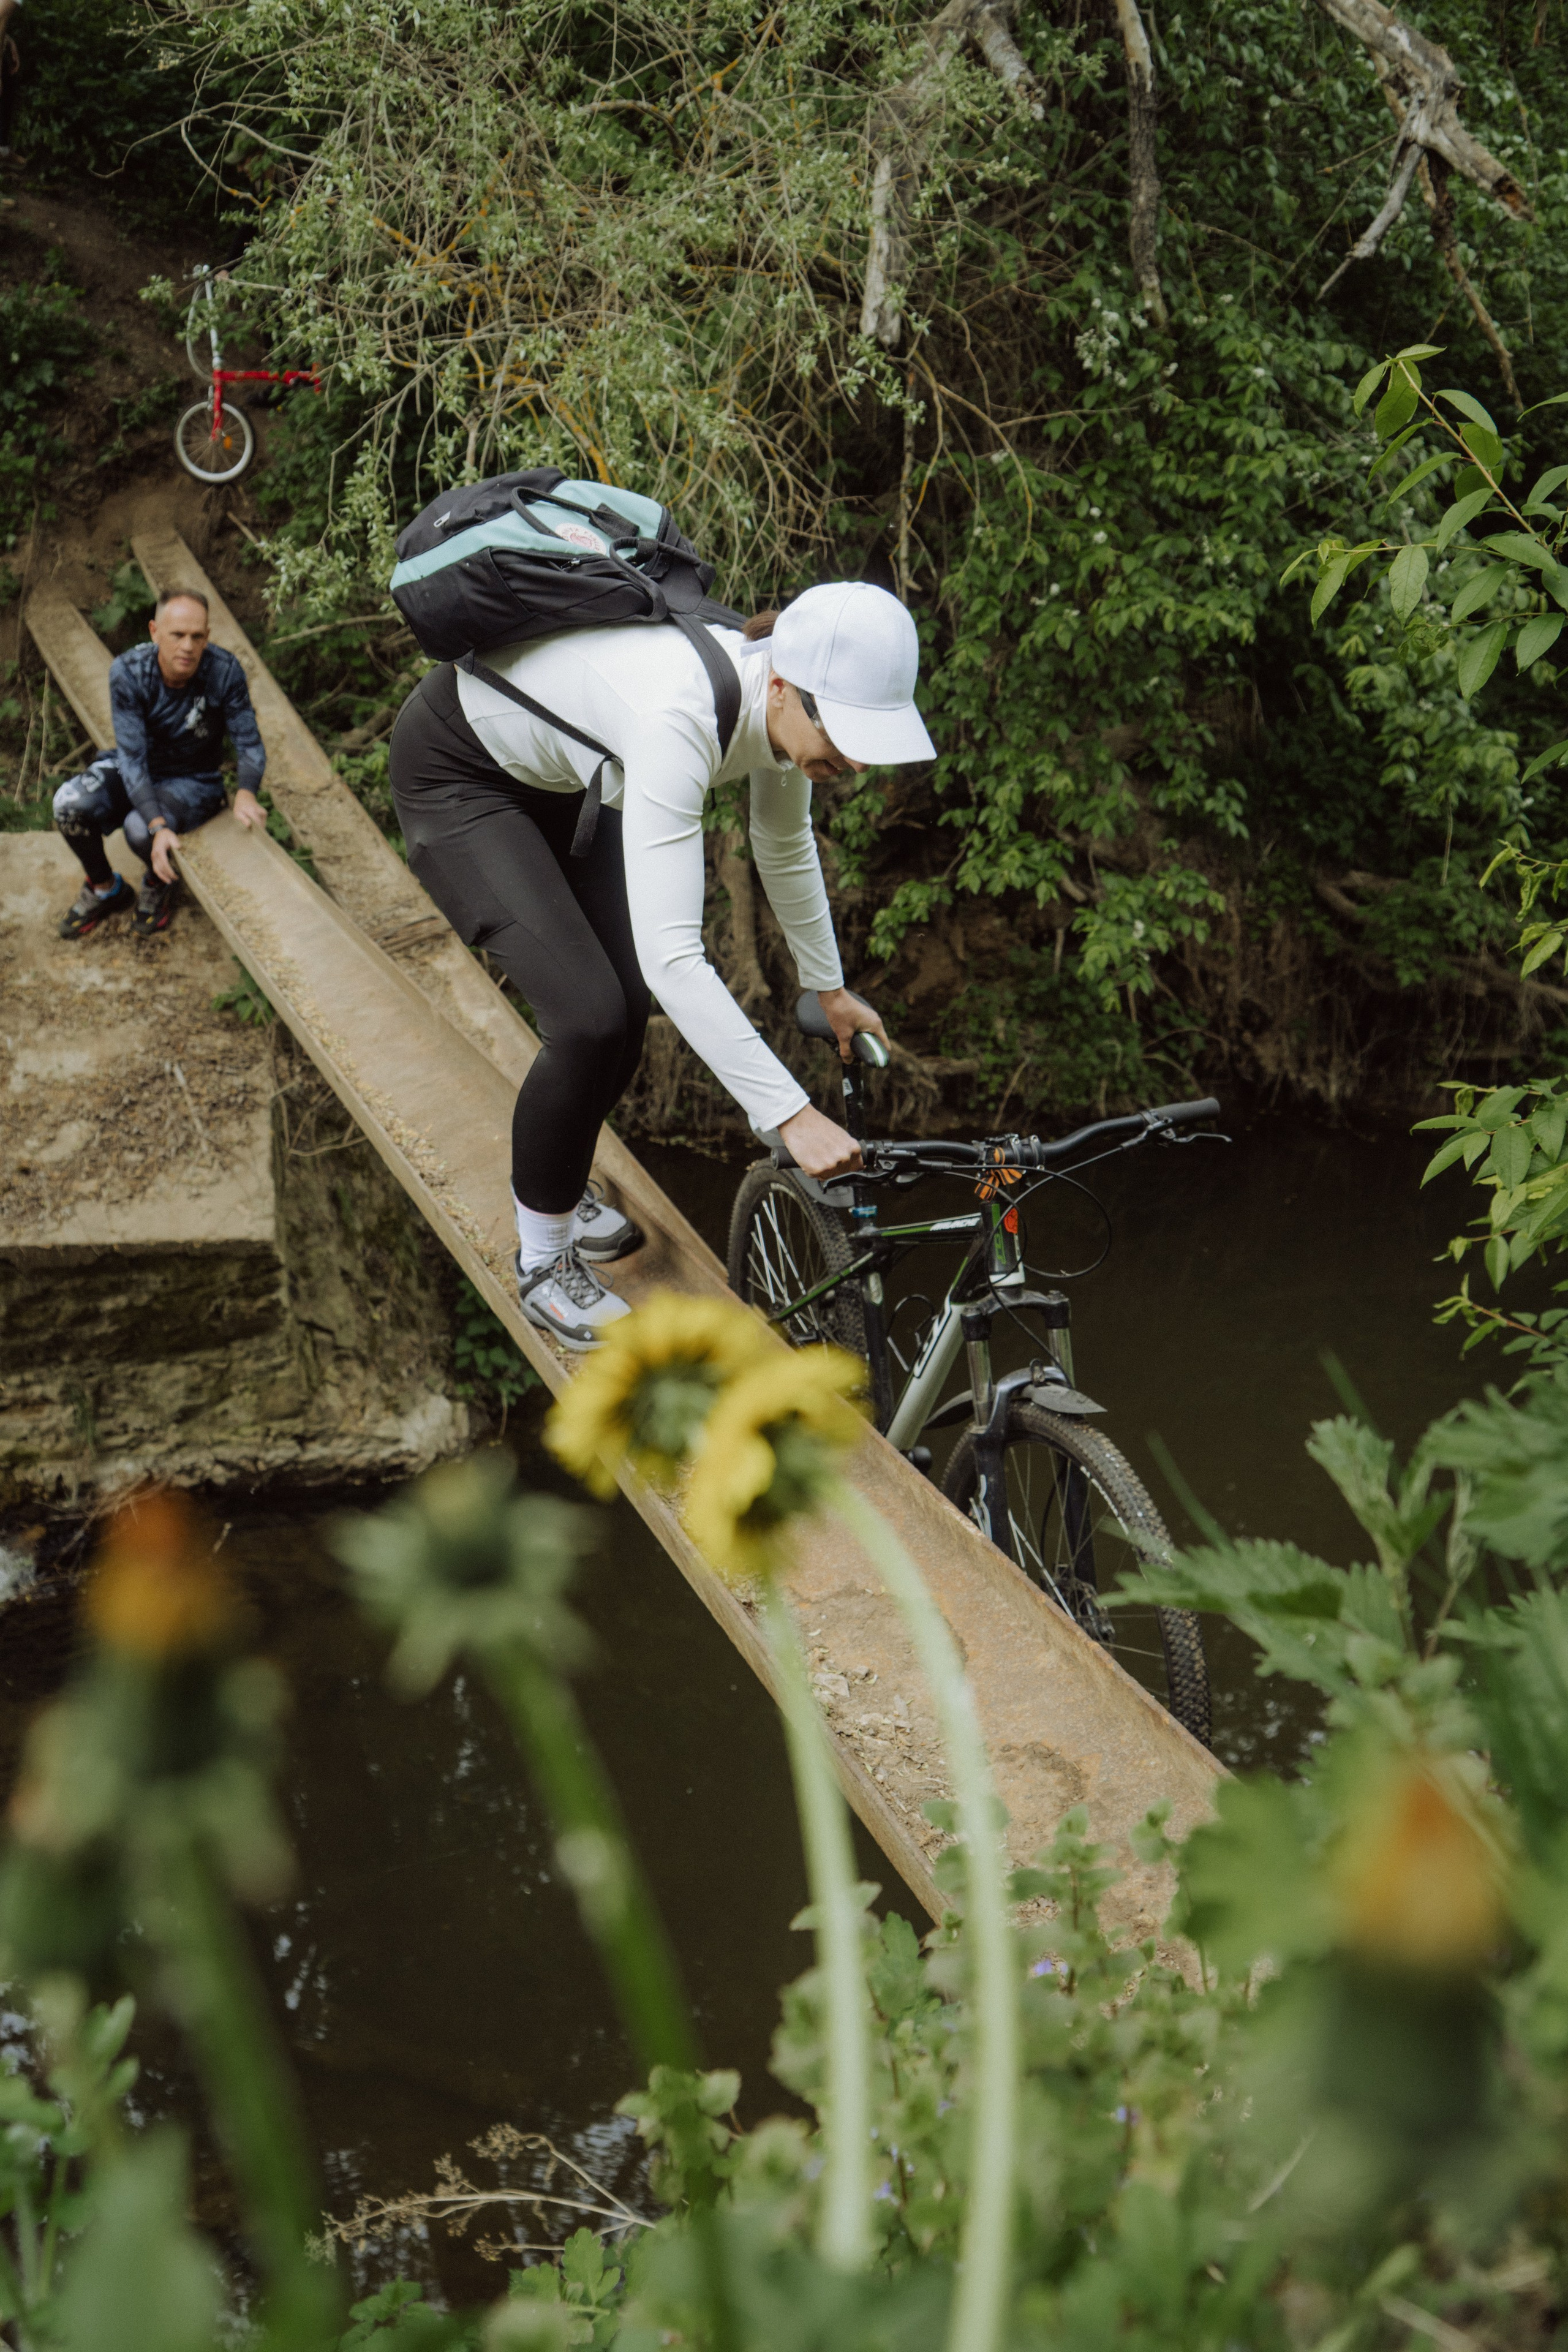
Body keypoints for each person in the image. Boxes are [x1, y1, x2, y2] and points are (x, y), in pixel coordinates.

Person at [388, 579, 935, 1350]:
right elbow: (675, 959)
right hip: (459, 773)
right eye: (842, 732)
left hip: (567, 775)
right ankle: (542, 1262)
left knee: (625, 1006)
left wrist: (829, 988)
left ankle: (561, 1180)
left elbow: (783, 844)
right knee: (588, 1017)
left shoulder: (777, 705)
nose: (854, 759)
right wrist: (788, 1113)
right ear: (785, 685)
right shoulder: (680, 715)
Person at [53, 588, 268, 940]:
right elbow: (132, 759)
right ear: (155, 632)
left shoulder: (224, 671)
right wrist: (159, 825)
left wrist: (246, 792)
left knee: (139, 829)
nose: (188, 646)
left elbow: (249, 742)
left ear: (207, 637)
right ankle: (105, 888)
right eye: (177, 635)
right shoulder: (129, 672)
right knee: (68, 804)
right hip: (139, 767)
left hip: (194, 780)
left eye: (197, 636)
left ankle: (159, 881)